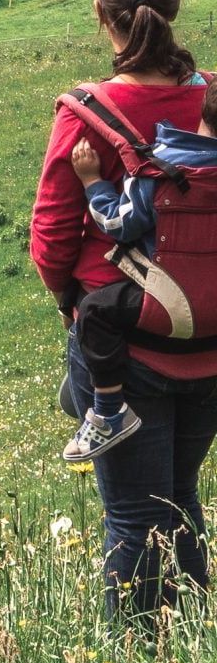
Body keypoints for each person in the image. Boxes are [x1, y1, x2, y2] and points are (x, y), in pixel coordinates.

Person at [31, 0, 217, 614]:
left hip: (126, 340)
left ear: (100, 14)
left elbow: (52, 239)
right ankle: (198, 641)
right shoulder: (213, 101)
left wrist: (67, 305)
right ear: (173, 11)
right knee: (180, 496)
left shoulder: (85, 113)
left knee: (135, 517)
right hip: (208, 338)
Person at [62, 79, 217, 463]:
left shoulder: (163, 172)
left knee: (97, 311)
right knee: (183, 492)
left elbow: (118, 224)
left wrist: (94, 183)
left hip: (173, 303)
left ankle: (109, 409)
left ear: (203, 108)